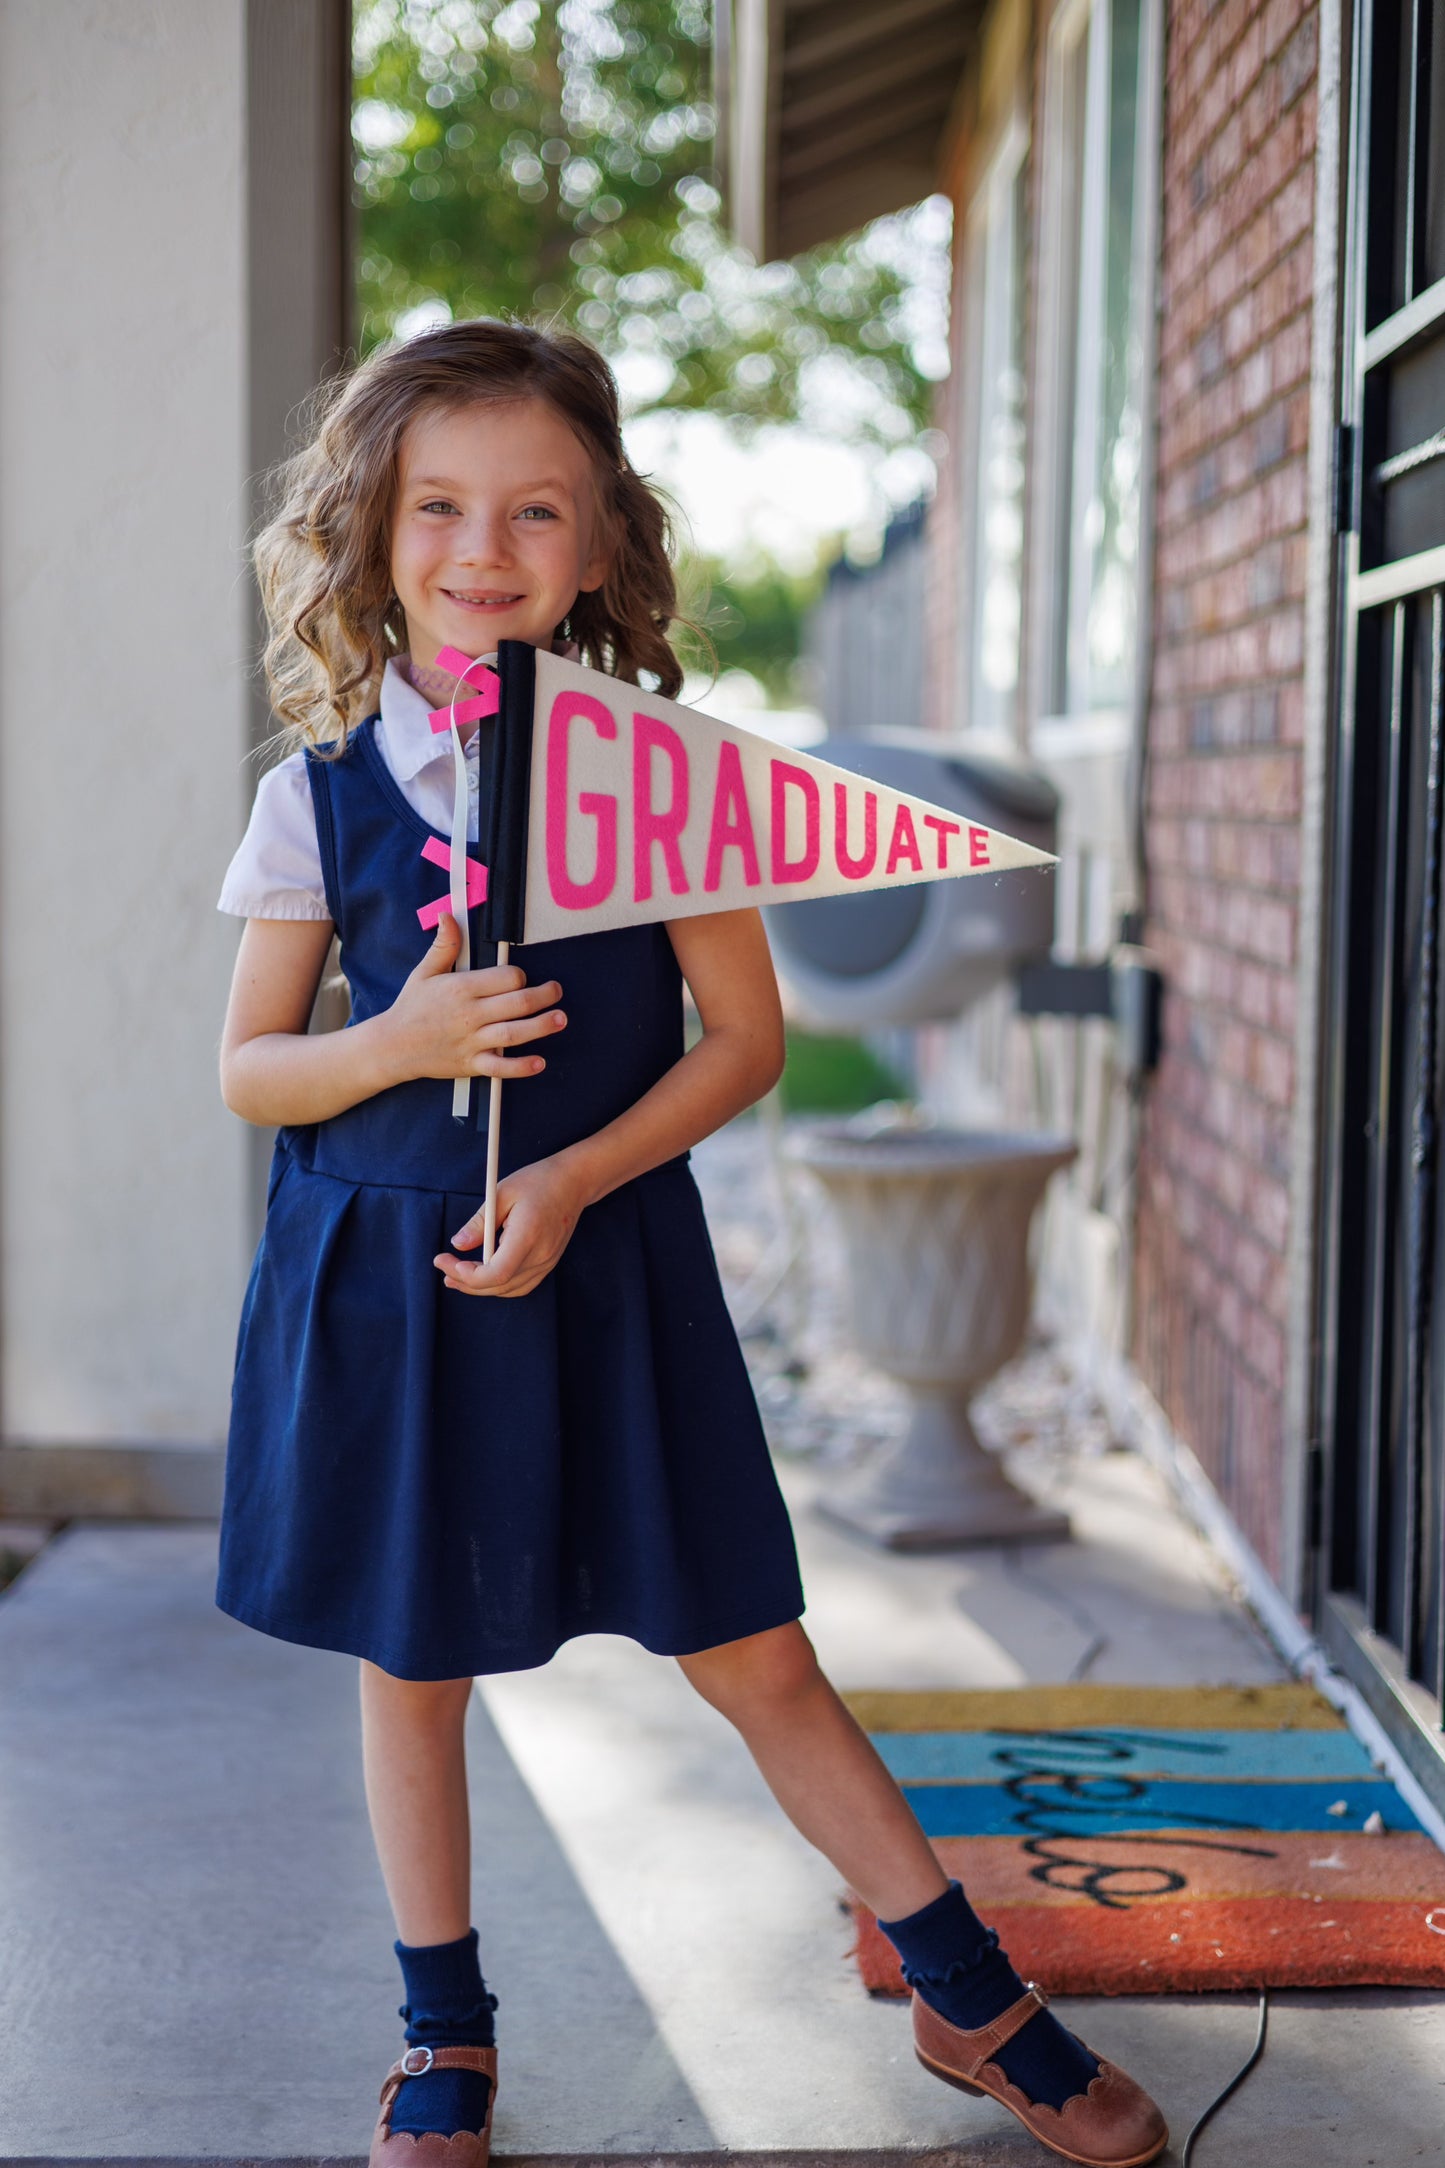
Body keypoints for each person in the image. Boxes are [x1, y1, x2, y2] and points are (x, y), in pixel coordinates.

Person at [215, 318, 1167, 2168]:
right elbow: (254, 1070)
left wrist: (571, 1178)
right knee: (410, 1668)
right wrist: (395, 1041)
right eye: (437, 506)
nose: (481, 549)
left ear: (596, 545)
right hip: (387, 1280)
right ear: (369, 530)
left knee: (750, 1649)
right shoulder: (312, 795)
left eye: (534, 511)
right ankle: (442, 2035)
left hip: (608, 1273)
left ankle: (966, 1993)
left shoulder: (663, 781)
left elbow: (740, 1041)